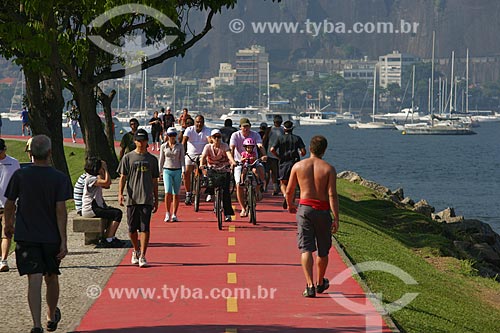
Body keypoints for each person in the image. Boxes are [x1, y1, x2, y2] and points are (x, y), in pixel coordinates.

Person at [3, 134, 72, 332]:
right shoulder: (59, 178)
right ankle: (51, 315)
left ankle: (36, 324)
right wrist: (63, 240)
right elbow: (61, 211)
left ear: (30, 153)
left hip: (26, 235)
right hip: (51, 236)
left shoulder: (20, 176)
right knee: (51, 276)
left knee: (34, 278)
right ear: (50, 153)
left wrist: (8, 225)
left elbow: (9, 205)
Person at [285, 135, 339, 298]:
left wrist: (290, 205)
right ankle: (320, 281)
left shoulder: (298, 166)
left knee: (306, 248)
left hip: (305, 209)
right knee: (323, 250)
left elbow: (289, 190)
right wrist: (336, 217)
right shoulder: (329, 169)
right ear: (324, 150)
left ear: (309, 149)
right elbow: (332, 195)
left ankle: (309, 285)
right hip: (322, 211)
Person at [118, 129, 159, 268]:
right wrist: (120, 193)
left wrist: (156, 198)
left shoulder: (152, 160)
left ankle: (143, 255)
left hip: (146, 198)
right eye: (139, 140)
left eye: (143, 140)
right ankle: (136, 249)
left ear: (147, 141)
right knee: (131, 229)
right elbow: (123, 177)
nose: (141, 143)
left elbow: (154, 180)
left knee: (145, 228)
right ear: (135, 141)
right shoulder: (128, 158)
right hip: (132, 198)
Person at [81, 157, 124, 248]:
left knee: (112, 212)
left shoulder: (93, 177)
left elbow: (107, 186)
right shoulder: (90, 179)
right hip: (91, 209)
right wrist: (105, 169)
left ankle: (109, 237)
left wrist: (101, 172)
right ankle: (109, 239)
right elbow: (107, 183)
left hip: (95, 207)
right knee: (117, 213)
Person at [229, 118, 267, 217]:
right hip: (240, 162)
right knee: (239, 185)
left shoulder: (255, 135)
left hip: (254, 161)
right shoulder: (235, 135)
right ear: (240, 127)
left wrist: (264, 155)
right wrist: (232, 161)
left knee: (261, 169)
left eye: (247, 126)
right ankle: (243, 208)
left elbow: (260, 145)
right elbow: (232, 148)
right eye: (244, 126)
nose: (246, 128)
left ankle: (259, 189)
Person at [200, 129, 236, 222]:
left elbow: (229, 155)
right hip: (212, 169)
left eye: (218, 137)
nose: (217, 139)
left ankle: (227, 214)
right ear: (211, 138)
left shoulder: (224, 146)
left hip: (224, 169)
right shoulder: (207, 147)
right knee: (210, 181)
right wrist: (201, 164)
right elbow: (203, 157)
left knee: (226, 193)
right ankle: (211, 192)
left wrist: (233, 162)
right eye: (214, 137)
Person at [270, 120, 306, 209]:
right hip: (295, 163)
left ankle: (286, 195)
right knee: (293, 184)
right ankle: (291, 202)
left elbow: (272, 149)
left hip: (283, 162)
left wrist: (278, 156)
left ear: (284, 129)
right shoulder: (297, 138)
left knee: (283, 183)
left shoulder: (280, 138)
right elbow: (304, 152)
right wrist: (301, 154)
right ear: (292, 128)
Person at [0, 139, 21, 272]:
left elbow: (19, 182)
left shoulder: (13, 163)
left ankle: (4, 260)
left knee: (6, 233)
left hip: (8, 204)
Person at [182, 115, 211, 205]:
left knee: (207, 171)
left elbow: (210, 141)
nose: (199, 124)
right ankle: (188, 193)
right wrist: (182, 153)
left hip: (203, 155)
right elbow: (184, 141)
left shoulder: (207, 130)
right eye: (197, 122)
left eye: (201, 122)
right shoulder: (189, 130)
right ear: (195, 122)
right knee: (186, 173)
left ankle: (207, 183)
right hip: (190, 155)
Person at [158, 127, 185, 222]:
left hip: (177, 170)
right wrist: (159, 172)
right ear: (167, 136)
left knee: (176, 193)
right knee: (167, 191)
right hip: (167, 170)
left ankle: (174, 214)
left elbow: (182, 159)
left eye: (174, 135)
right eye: (170, 135)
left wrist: (183, 171)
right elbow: (161, 160)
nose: (172, 137)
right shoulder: (163, 146)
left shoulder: (180, 146)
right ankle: (167, 213)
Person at [266, 115, 284, 196]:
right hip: (271, 153)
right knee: (273, 171)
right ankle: (274, 187)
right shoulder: (270, 129)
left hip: (279, 153)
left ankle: (276, 187)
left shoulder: (282, 129)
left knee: (276, 171)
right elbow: (265, 139)